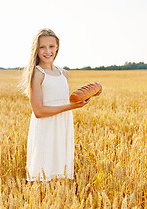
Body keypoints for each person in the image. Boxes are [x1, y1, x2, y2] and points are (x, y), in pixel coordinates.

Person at [20, 28, 99, 181]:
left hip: (62, 125)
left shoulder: (64, 73)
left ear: (57, 48)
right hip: (45, 127)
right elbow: (39, 111)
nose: (47, 51)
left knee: (59, 172)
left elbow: (62, 100)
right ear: (36, 49)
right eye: (42, 47)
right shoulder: (37, 74)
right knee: (43, 170)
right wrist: (72, 107)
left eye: (51, 46)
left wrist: (88, 94)